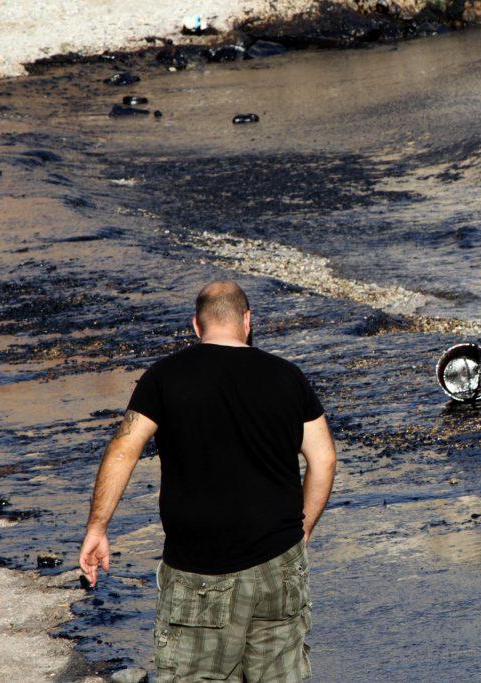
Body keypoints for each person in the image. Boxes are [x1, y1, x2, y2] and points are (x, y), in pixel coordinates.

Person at [78, 280, 337, 682]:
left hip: (199, 571)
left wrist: (98, 528)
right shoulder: (288, 376)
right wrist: (302, 530)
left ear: (196, 326)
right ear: (247, 321)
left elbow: (123, 449)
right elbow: (324, 459)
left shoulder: (164, 377)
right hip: (279, 565)